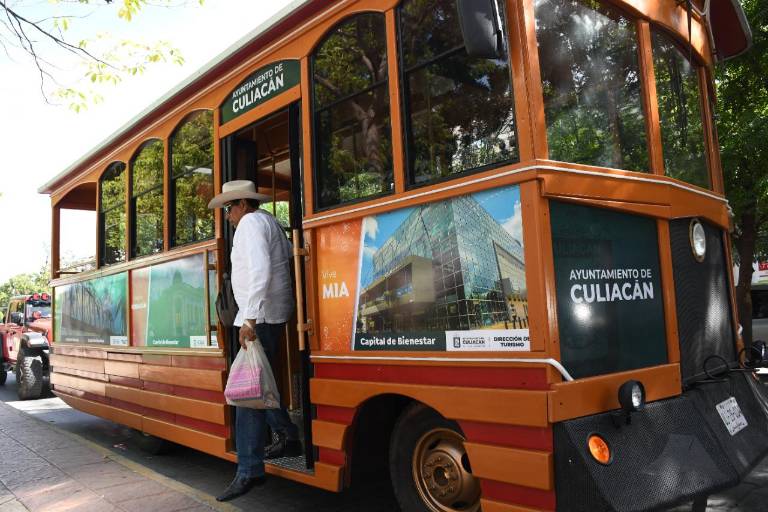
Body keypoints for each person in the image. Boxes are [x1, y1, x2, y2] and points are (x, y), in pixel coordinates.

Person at [209, 180, 301, 502]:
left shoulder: (249, 224)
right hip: (270, 313)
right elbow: (286, 258)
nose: (228, 216)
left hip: (258, 317)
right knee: (262, 384)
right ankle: (289, 436)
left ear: (242, 205)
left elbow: (260, 270)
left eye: (228, 208)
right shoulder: (270, 221)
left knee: (248, 396)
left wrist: (248, 318)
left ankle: (249, 470)